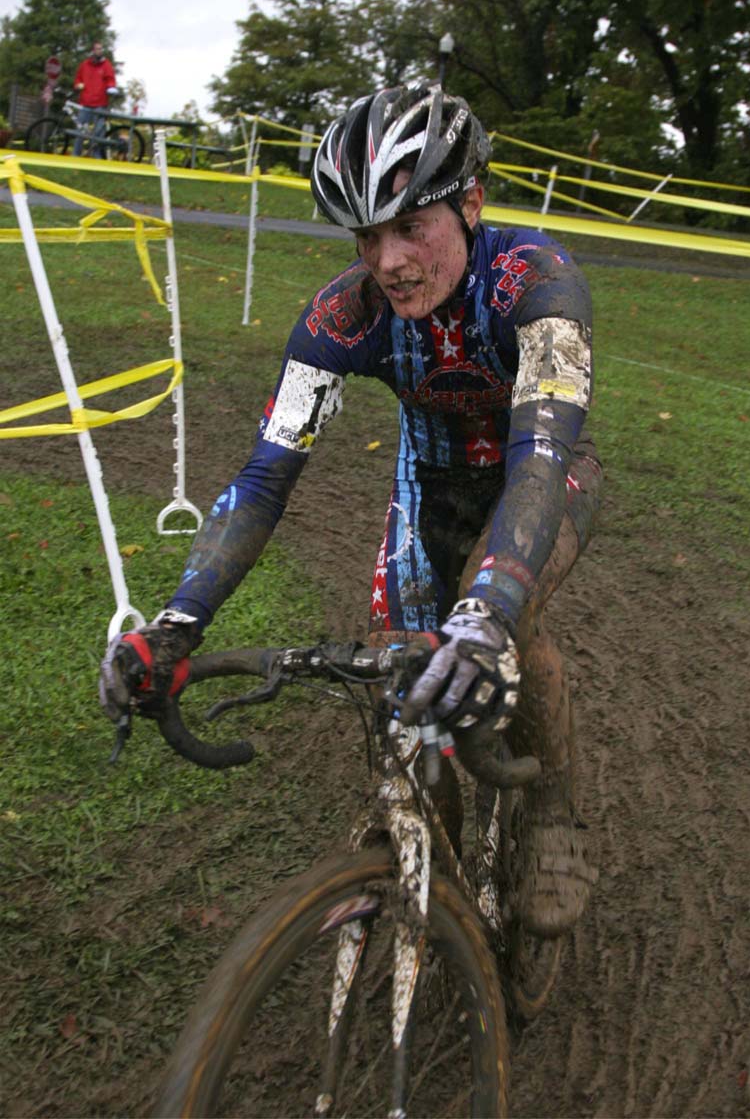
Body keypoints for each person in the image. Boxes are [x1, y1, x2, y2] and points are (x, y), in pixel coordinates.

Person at [99, 84, 604, 937]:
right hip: (429, 486)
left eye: (412, 226)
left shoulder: (537, 281)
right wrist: (177, 621)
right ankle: (416, 846)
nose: (391, 261)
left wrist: (485, 613)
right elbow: (265, 476)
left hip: (544, 477)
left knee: (509, 633)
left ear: (471, 202)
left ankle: (555, 814)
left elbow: (541, 458)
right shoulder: (344, 314)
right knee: (397, 662)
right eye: (368, 235)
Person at [71, 40, 116, 157]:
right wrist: (78, 85)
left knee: (98, 133)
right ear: (93, 50)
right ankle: (75, 155)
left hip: (100, 104)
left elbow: (110, 79)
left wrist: (111, 88)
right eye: (97, 49)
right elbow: (78, 79)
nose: (99, 51)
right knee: (80, 131)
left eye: (101, 49)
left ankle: (97, 158)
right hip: (86, 103)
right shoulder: (85, 65)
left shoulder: (106, 65)